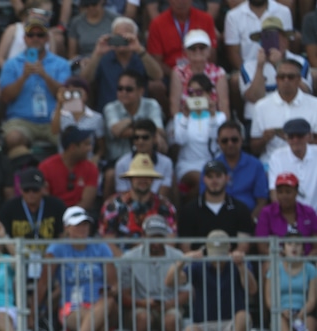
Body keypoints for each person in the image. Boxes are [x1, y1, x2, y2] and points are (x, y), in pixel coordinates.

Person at [167, 230, 257, 331]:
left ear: (229, 249)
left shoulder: (239, 263)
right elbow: (170, 282)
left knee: (244, 317)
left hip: (231, 324)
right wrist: (182, 260)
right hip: (205, 325)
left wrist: (241, 267)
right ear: (208, 250)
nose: (218, 259)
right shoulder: (198, 266)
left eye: (221, 253)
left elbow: (252, 289)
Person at [40, 206, 117, 331]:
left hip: (100, 304)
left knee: (107, 303)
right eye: (77, 225)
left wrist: (111, 290)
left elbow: (114, 283)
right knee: (98, 323)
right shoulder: (56, 249)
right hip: (71, 307)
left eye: (85, 224)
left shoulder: (101, 248)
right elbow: (44, 281)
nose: (82, 229)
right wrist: (34, 312)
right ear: (66, 227)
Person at [118, 214, 187, 331]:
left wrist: (169, 304)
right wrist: (143, 303)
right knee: (142, 318)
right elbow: (124, 295)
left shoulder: (178, 257)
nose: (156, 242)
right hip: (140, 306)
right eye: (152, 237)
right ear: (143, 236)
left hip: (169, 305)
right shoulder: (129, 258)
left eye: (160, 237)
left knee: (173, 319)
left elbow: (187, 292)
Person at [0, 11, 71, 157]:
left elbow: (67, 96)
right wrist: (23, 77)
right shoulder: (11, 64)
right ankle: (23, 172)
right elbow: (5, 97)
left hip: (54, 120)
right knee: (13, 138)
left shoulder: (61, 64)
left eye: (40, 35)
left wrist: (44, 75)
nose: (35, 39)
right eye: (31, 35)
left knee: (71, 140)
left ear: (47, 38)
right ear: (25, 39)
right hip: (21, 121)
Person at [80, 16, 162, 113]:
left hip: (138, 113)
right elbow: (84, 80)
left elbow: (158, 76)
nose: (122, 40)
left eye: (126, 36)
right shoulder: (103, 58)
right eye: (118, 36)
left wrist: (139, 49)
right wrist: (97, 53)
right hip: (108, 112)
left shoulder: (141, 57)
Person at [99, 154, 176, 257]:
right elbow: (108, 242)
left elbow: (170, 241)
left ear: (153, 179)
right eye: (138, 176)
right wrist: (126, 264)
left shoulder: (166, 206)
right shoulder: (112, 206)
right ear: (130, 179)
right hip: (121, 264)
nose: (143, 180)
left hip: (156, 263)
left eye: (147, 176)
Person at [239, 16, 310, 125]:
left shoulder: (300, 62)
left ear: (285, 40)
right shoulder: (248, 66)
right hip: (260, 120)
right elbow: (254, 97)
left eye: (277, 36)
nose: (273, 41)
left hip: (295, 116)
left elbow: (305, 93)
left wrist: (280, 64)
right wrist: (260, 67)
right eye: (268, 37)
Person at [264, 234, 317, 331]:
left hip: (303, 311)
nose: (294, 246)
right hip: (280, 311)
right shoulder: (275, 268)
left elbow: (312, 299)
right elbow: (268, 298)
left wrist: (301, 313)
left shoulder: (311, 269)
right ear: (284, 248)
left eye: (298, 244)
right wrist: (281, 311)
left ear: (303, 249)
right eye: (290, 244)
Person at [250, 59, 317, 167]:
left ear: (299, 79)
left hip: (308, 162)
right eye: (282, 77)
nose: (286, 80)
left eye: (290, 77)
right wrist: (265, 139)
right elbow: (254, 147)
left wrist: (301, 138)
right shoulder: (261, 106)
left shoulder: (314, 104)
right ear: (276, 79)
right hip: (272, 162)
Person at [178, 160, 254, 253]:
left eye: (218, 176)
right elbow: (185, 247)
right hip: (199, 263)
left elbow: (243, 246)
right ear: (204, 179)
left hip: (231, 263)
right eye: (210, 177)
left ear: (227, 178)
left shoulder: (240, 209)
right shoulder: (189, 210)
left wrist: (232, 258)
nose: (214, 181)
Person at [172, 72, 225, 200]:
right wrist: (185, 116)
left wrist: (212, 116)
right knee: (203, 180)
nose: (195, 96)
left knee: (210, 178)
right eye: (191, 92)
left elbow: (215, 140)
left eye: (199, 92)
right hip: (188, 164)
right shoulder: (179, 117)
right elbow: (180, 140)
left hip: (212, 162)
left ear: (209, 94)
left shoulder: (220, 117)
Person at [102, 71, 165, 174]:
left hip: (147, 158)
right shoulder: (111, 107)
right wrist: (136, 122)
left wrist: (129, 128)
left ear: (140, 91)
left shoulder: (151, 104)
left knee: (160, 140)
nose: (123, 92)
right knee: (110, 174)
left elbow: (160, 130)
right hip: (117, 160)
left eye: (129, 89)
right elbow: (117, 131)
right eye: (120, 89)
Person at [208, 120, 268, 223]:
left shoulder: (256, 165)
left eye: (234, 139)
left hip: (248, 220)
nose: (230, 143)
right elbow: (206, 199)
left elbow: (262, 201)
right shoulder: (210, 167)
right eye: (225, 140)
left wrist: (249, 221)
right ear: (218, 142)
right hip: (218, 220)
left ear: (242, 140)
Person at [146, 0, 216, 79]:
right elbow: (156, 61)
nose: (180, 2)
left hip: (201, 72)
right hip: (169, 74)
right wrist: (179, 75)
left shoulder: (206, 19)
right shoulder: (157, 23)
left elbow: (211, 54)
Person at [168, 29, 227, 119]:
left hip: (213, 120)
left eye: (202, 47)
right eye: (192, 48)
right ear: (185, 51)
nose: (197, 50)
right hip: (185, 120)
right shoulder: (178, 72)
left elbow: (224, 107)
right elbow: (174, 107)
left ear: (209, 50)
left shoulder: (218, 72)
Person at [255, 173, 317, 258]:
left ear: (296, 192)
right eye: (280, 192)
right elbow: (262, 247)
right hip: (277, 261)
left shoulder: (309, 212)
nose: (284, 196)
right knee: (267, 266)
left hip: (306, 261)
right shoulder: (267, 212)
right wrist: (282, 259)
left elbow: (315, 245)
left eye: (288, 192)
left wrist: (305, 262)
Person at [38, 125, 98, 211]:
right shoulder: (46, 167)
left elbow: (86, 203)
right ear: (73, 147)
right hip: (54, 214)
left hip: (79, 215)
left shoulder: (91, 168)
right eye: (86, 144)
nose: (90, 148)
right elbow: (45, 199)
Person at [111, 118, 173, 199]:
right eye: (136, 137)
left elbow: (162, 196)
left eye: (145, 137)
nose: (140, 141)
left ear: (154, 139)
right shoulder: (122, 163)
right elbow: (123, 196)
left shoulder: (166, 163)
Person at [50, 77, 105, 163]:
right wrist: (60, 104)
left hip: (87, 162)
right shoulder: (58, 113)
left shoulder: (96, 117)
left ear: (86, 95)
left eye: (78, 93)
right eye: (70, 93)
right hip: (65, 162)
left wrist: (96, 157)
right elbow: (54, 131)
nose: (74, 96)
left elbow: (102, 146)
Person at [267, 118, 317, 211]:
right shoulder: (277, 157)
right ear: (286, 137)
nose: (295, 140)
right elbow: (274, 191)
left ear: (309, 136)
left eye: (300, 136)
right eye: (291, 136)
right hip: (290, 216)